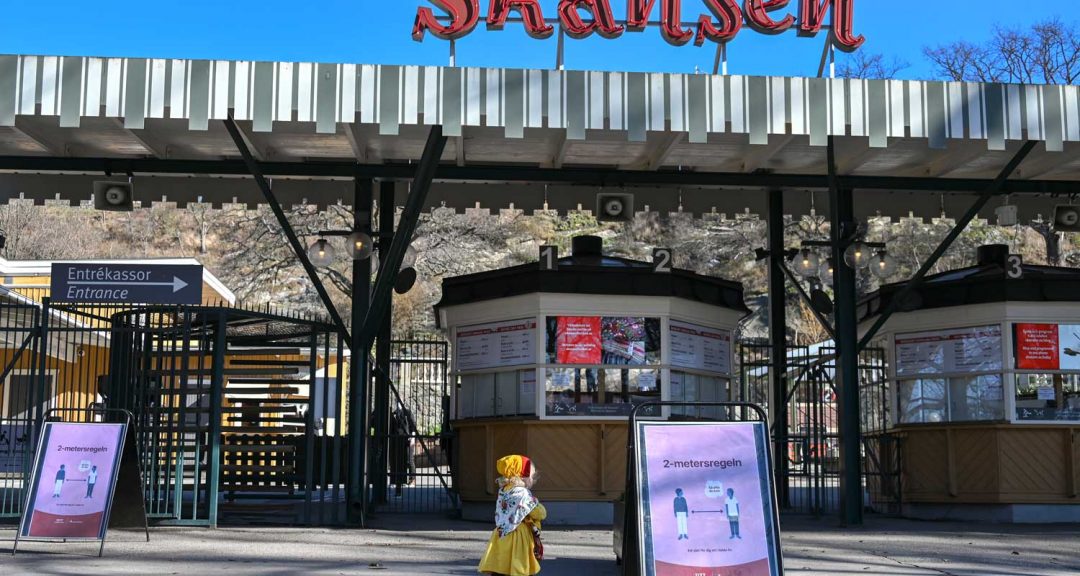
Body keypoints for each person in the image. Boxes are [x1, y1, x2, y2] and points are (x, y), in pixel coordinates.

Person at [478, 455, 546, 576]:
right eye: (531, 476)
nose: (533, 479)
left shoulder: (503, 490)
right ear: (522, 476)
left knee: (502, 564)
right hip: (518, 535)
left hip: (501, 534)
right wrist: (539, 506)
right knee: (518, 565)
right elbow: (539, 513)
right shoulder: (523, 493)